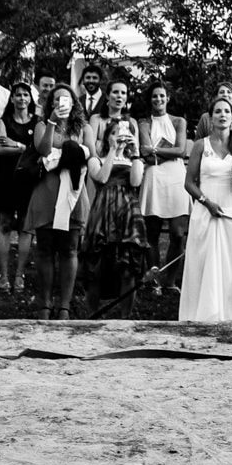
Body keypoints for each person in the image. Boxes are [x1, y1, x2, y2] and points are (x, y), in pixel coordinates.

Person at [22, 85, 94, 318]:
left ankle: (64, 304)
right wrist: (52, 123)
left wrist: (72, 152)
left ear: (74, 103)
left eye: (66, 99)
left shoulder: (84, 127)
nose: (62, 103)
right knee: (44, 249)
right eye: (57, 100)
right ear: (51, 104)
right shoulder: (42, 125)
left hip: (72, 191)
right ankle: (45, 302)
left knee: (69, 249)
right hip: (48, 190)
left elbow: (90, 154)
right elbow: (43, 150)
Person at [179, 97, 232, 322]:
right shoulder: (201, 145)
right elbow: (189, 183)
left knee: (227, 265)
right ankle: (199, 316)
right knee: (202, 260)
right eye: (217, 111)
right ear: (210, 117)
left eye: (226, 111)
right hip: (205, 209)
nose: (222, 115)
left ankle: (226, 315)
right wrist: (206, 202)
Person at [84, 114, 149, 317]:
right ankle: (93, 315)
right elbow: (102, 178)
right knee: (96, 267)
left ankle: (125, 317)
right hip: (103, 213)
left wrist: (136, 151)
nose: (120, 136)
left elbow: (136, 182)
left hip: (128, 213)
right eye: (115, 132)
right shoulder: (96, 159)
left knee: (128, 267)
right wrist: (113, 149)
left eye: (125, 132)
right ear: (107, 136)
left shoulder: (134, 160)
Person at [139, 82, 191, 292]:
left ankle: (170, 280)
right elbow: (144, 151)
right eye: (154, 97)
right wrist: (153, 151)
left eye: (162, 96)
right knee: (151, 232)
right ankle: (154, 280)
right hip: (154, 178)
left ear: (168, 98)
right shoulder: (144, 123)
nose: (158, 100)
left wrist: (156, 151)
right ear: (150, 100)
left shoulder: (179, 121)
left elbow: (180, 150)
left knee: (178, 233)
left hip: (176, 177)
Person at [0, 81, 39, 296]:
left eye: (25, 95)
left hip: (30, 180)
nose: (21, 98)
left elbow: (40, 149)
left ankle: (20, 274)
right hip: (7, 178)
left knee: (26, 227)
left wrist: (17, 146)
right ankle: (3, 273)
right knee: (5, 224)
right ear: (12, 99)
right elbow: (0, 149)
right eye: (17, 95)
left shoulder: (38, 122)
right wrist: (24, 148)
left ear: (30, 99)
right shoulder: (5, 121)